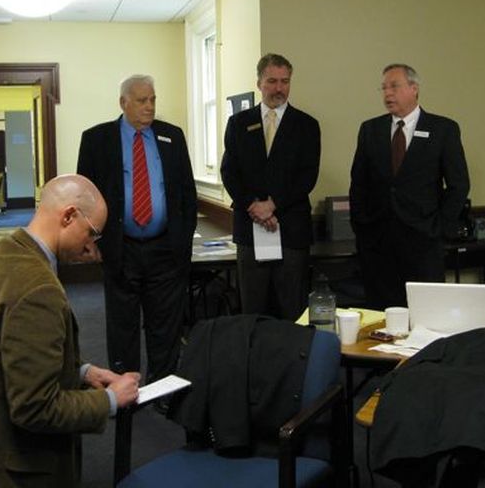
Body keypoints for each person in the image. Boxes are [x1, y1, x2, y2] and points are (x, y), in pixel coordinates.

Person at [0, 174, 141, 488]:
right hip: (9, 469)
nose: (91, 248)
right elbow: (36, 407)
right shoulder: (37, 289)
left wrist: (82, 372)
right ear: (69, 215)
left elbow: (1, 354)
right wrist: (111, 400)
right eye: (91, 233)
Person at [77, 75, 197, 385]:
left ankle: (163, 386)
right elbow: (84, 197)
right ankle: (125, 387)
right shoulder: (97, 139)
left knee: (165, 324)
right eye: (142, 101)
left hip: (165, 249)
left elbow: (186, 193)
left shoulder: (172, 136)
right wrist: (90, 239)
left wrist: (182, 241)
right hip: (121, 247)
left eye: (153, 99)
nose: (149, 107)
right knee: (122, 325)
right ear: (123, 103)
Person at [350, 63, 470, 310]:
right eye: (383, 88)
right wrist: (362, 226)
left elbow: (459, 185)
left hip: (423, 243)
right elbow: (358, 184)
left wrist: (441, 227)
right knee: (381, 319)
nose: (387, 94)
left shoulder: (443, 129)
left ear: (414, 89)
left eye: (394, 86)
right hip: (378, 244)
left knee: (425, 316)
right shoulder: (370, 130)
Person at [220, 54, 320, 319]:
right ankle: (254, 360)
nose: (279, 88)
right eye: (272, 81)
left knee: (291, 309)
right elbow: (229, 172)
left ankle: (291, 361)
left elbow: (307, 177)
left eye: (285, 81)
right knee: (253, 309)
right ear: (259, 83)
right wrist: (254, 206)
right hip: (250, 230)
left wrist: (272, 205)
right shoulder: (239, 124)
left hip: (291, 230)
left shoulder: (307, 126)